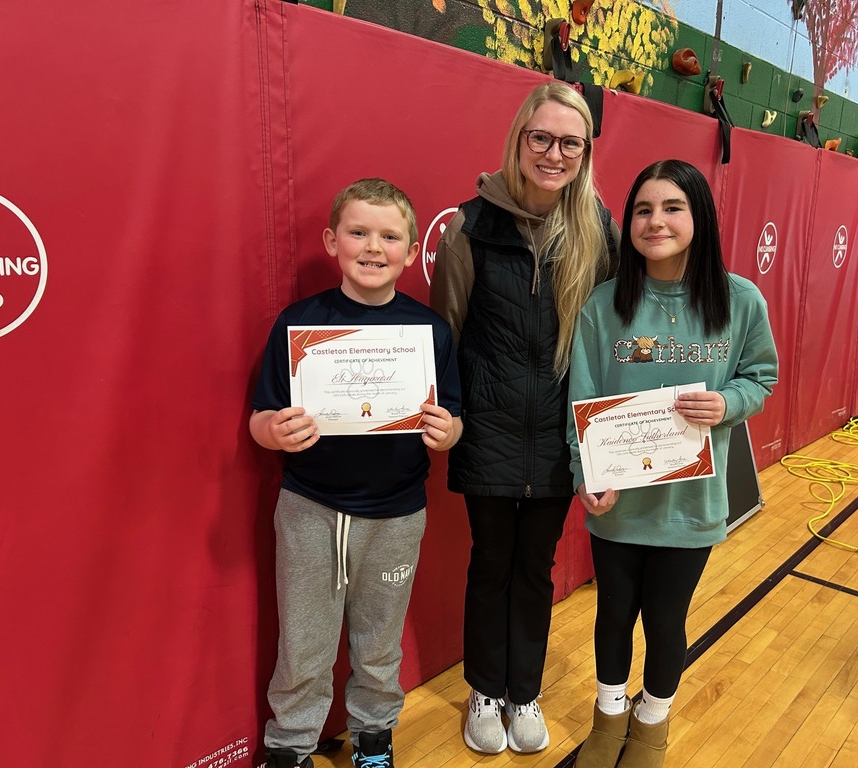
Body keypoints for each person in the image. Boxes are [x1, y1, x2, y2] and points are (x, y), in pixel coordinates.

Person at [567, 159, 778, 768]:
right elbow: (581, 397)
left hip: (691, 504)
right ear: (627, 222)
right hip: (618, 502)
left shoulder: (740, 301)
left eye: (671, 207)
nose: (655, 220)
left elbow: (759, 377)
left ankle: (652, 721)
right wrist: (587, 475)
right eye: (642, 209)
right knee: (613, 614)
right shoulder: (603, 306)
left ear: (699, 216)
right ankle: (608, 717)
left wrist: (728, 402)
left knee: (665, 620)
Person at [431, 81, 618, 755]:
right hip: (488, 434)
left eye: (570, 142)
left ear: (584, 151)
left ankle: (523, 691)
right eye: (541, 137)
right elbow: (446, 338)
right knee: (491, 565)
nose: (554, 152)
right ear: (519, 139)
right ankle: (485, 688)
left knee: (536, 569)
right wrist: (453, 417)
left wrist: (606, 448)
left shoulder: (598, 231)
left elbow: (613, 344)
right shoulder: (467, 228)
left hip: (559, 442)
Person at [251, 178, 463, 768]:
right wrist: (272, 431)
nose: (374, 246)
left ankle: (374, 735)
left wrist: (450, 432)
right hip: (309, 507)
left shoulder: (431, 333)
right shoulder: (300, 324)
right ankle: (290, 744)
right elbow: (260, 417)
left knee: (379, 640)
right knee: (305, 640)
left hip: (396, 513)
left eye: (390, 236)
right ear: (332, 241)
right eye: (359, 232)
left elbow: (455, 419)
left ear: (410, 247)